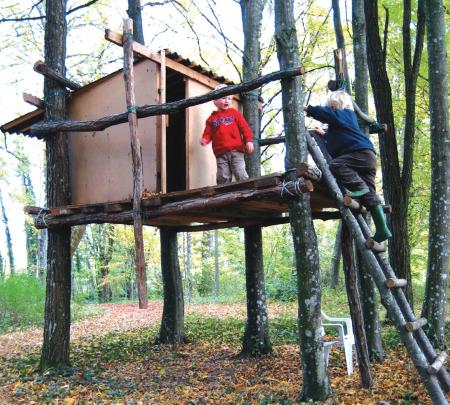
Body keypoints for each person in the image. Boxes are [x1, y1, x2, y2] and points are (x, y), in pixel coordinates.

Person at [304, 90, 392, 243]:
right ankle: (382, 229)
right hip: (366, 157)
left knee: (336, 165)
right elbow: (338, 140)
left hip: (359, 154)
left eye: (331, 107)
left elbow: (328, 115)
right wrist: (324, 135)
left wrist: (309, 109)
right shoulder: (341, 124)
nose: (330, 110)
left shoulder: (345, 114)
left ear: (338, 106)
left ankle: (359, 187)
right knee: (370, 193)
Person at [200, 84, 254, 184]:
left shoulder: (235, 113)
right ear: (215, 100)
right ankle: (223, 193)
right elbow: (208, 133)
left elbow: (245, 128)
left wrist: (249, 141)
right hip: (220, 153)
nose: (227, 101)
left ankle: (246, 188)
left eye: (229, 99)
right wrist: (205, 139)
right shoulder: (211, 119)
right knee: (223, 175)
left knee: (240, 172)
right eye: (224, 98)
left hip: (236, 150)